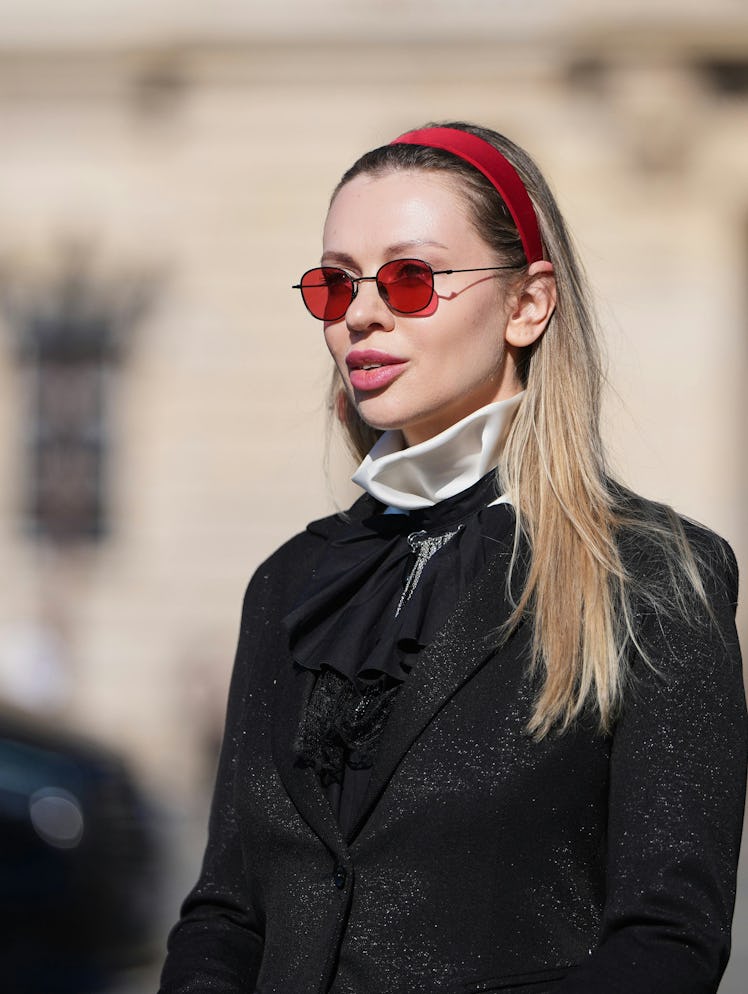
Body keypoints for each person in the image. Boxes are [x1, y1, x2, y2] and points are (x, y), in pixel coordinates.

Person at [158, 123, 747, 994]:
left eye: (410, 277)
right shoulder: (290, 582)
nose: (361, 311)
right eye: (334, 283)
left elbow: (666, 944)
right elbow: (226, 912)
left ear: (527, 304)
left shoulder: (652, 576)